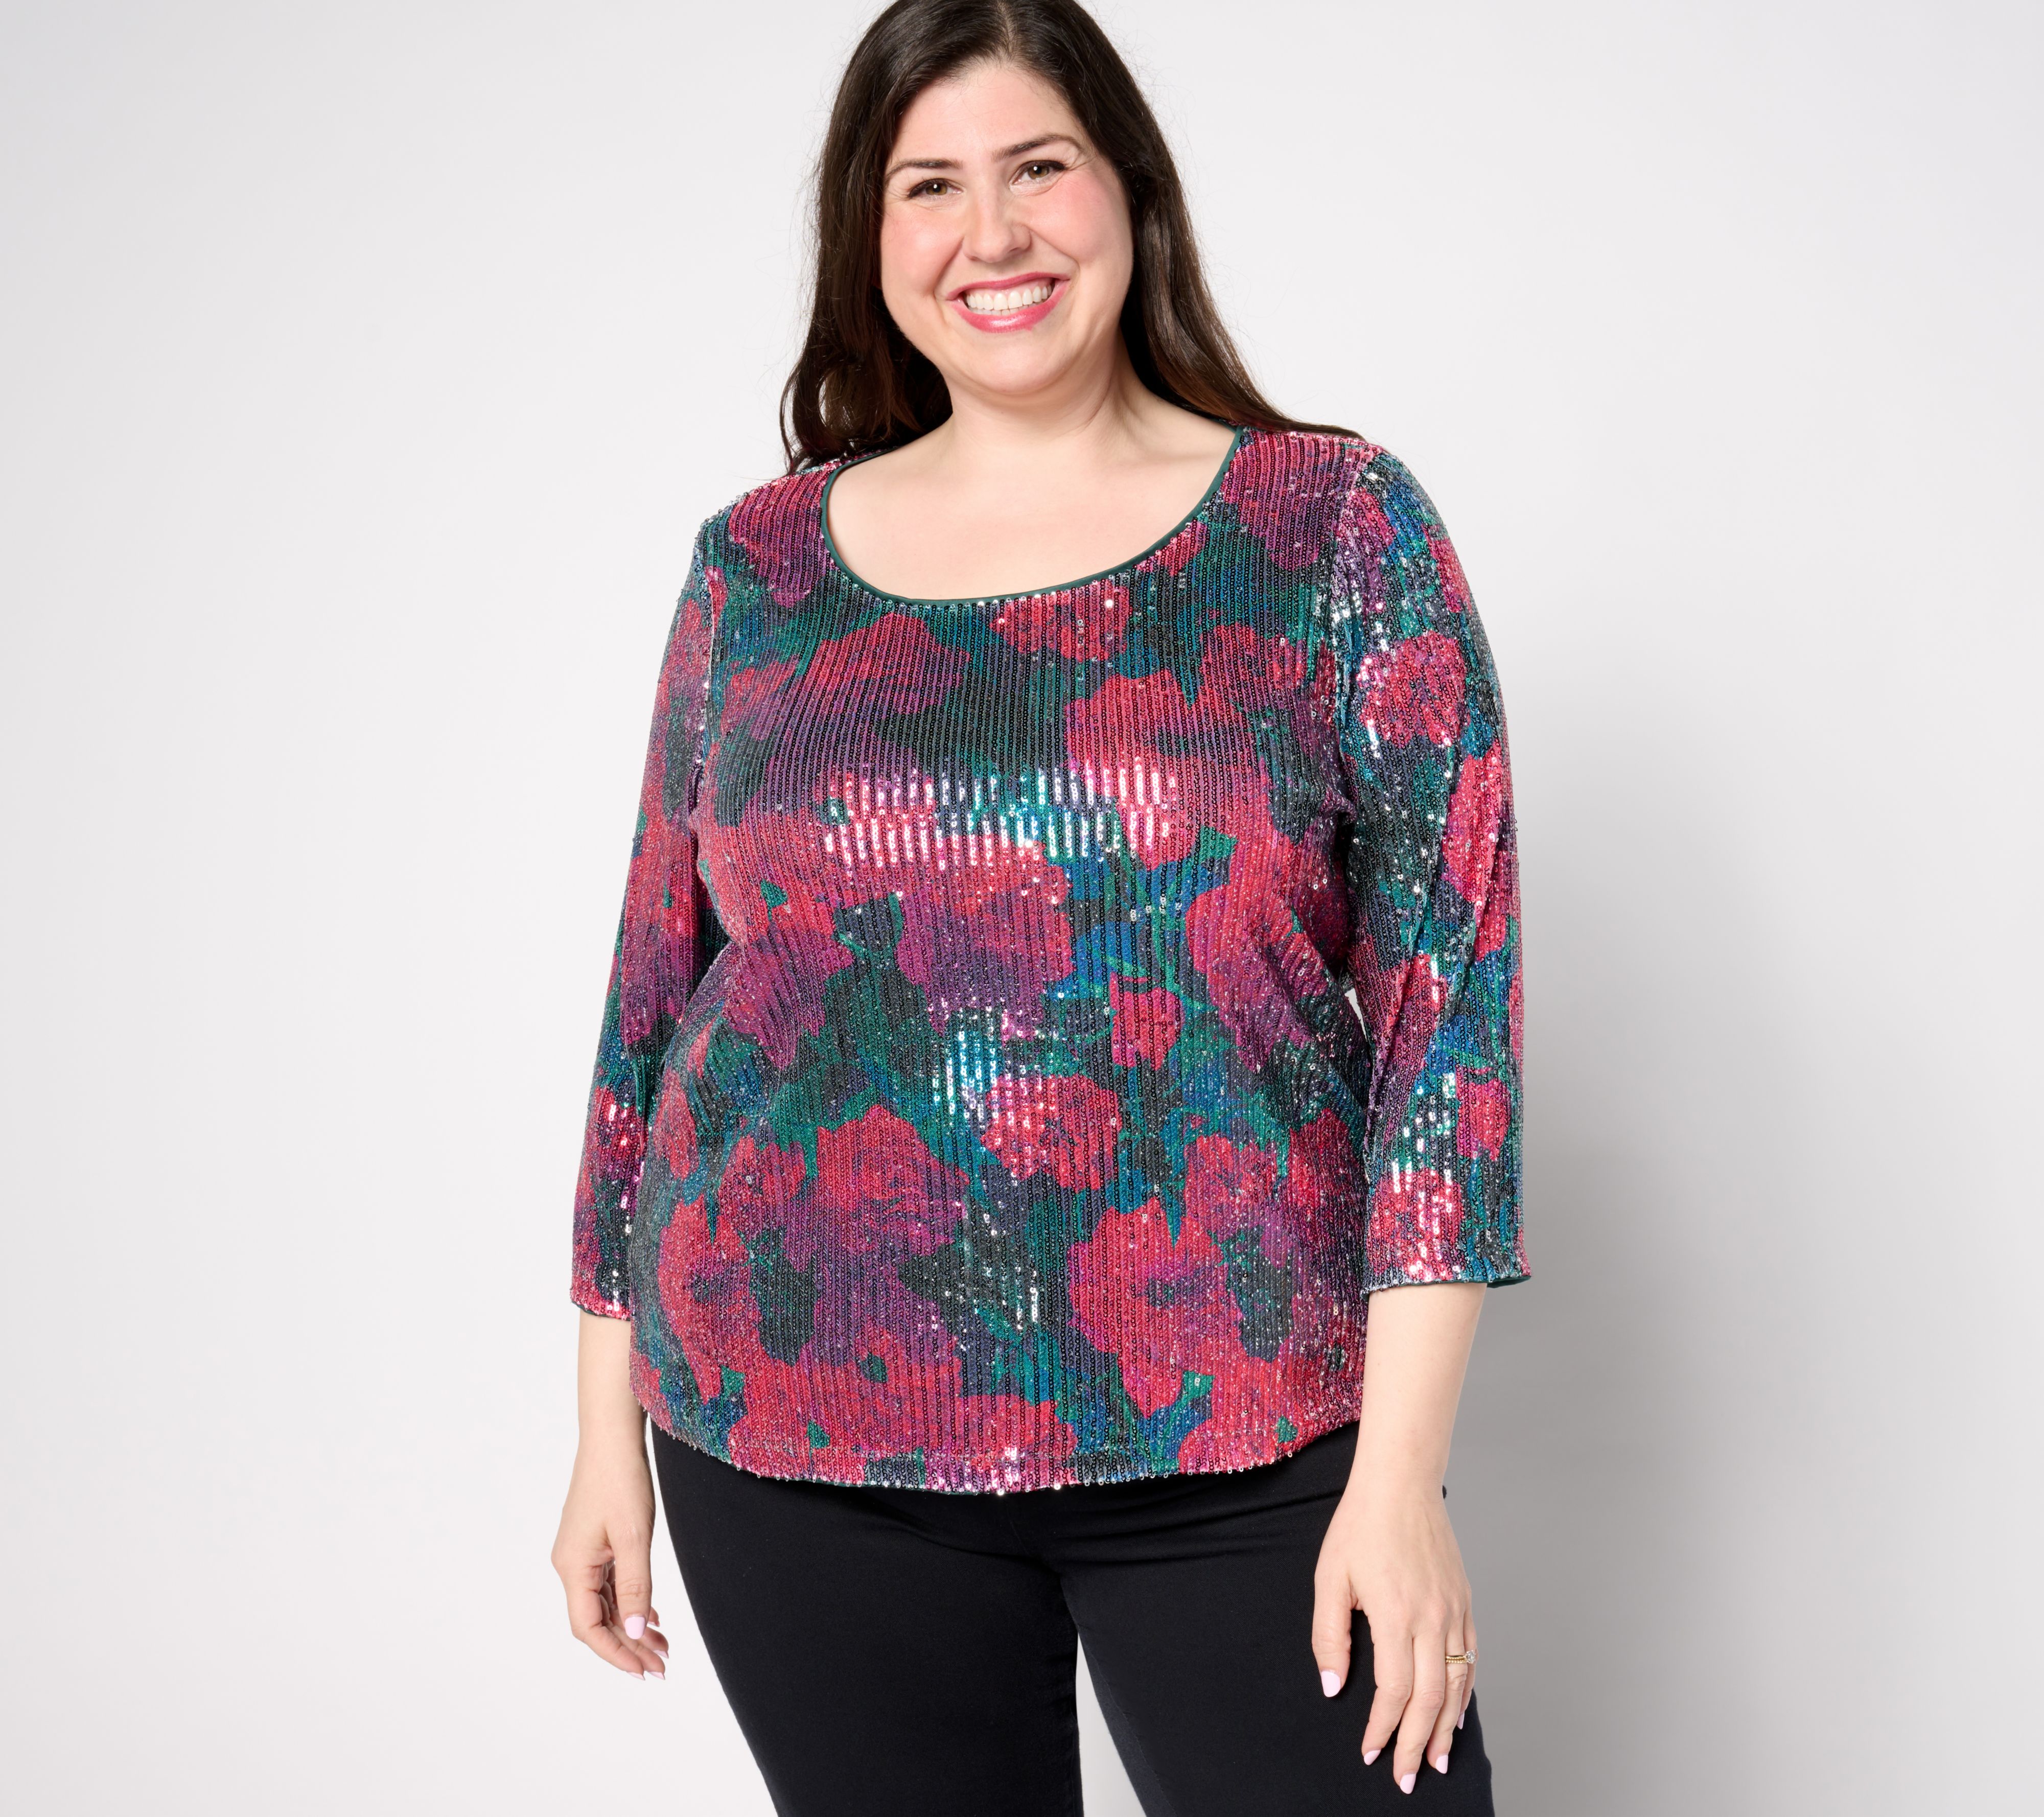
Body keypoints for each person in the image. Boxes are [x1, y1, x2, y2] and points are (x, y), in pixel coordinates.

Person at [549, 2, 1526, 1810]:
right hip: (795, 1437)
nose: (989, 233)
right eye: (929, 185)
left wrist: (1397, 1482)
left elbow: (1446, 1032)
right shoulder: (755, 567)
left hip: (1251, 1428)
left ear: (1127, 189)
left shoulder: (1331, 528)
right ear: (869, 236)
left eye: (1036, 168)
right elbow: (656, 1004)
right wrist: (605, 1421)